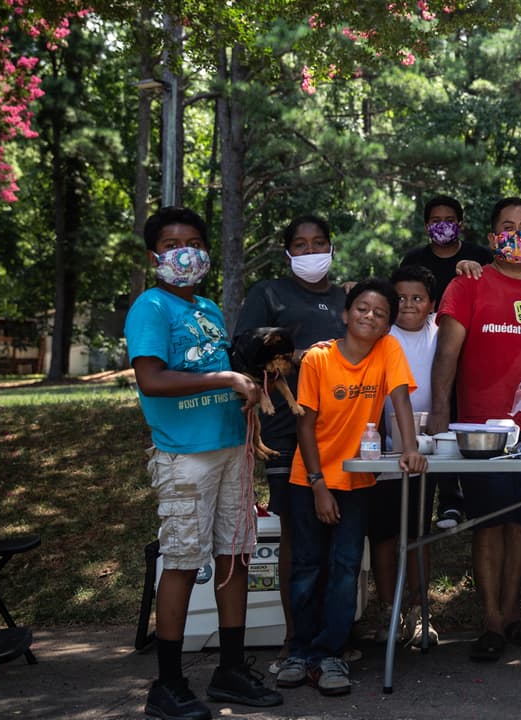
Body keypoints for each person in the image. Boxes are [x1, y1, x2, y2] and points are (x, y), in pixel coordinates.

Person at [125, 206, 282, 719]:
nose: (183, 252)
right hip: (185, 457)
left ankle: (230, 670)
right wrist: (224, 382)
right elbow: (151, 379)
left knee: (235, 555)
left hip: (232, 448)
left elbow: (221, 368)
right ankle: (167, 685)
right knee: (183, 562)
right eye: (171, 245)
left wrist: (253, 378)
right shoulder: (151, 307)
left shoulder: (210, 308)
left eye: (192, 242)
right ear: (155, 257)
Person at [428, 197, 521, 662]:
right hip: (482, 430)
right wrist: (438, 413)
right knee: (490, 524)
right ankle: (490, 621)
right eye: (508, 226)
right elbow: (447, 356)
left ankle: (513, 614)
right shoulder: (469, 284)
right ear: (493, 237)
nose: (518, 233)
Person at [274, 279, 427, 696]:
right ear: (345, 314)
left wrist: (410, 450)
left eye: (380, 313)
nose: (370, 317)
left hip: (358, 480)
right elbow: (304, 425)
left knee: (344, 569)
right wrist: (319, 484)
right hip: (311, 479)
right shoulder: (319, 359)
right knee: (307, 567)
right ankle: (298, 651)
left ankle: (330, 654)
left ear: (386, 326)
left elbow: (400, 400)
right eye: (362, 309)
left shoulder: (387, 351)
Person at [234, 215, 347, 660]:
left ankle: (334, 636)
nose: (310, 251)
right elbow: (243, 346)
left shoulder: (345, 298)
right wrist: (293, 354)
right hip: (285, 426)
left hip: (343, 432)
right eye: (299, 245)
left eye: (319, 242)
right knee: (298, 539)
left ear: (331, 248)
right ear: (287, 253)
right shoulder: (269, 293)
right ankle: (295, 640)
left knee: (340, 541)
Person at [399, 195, 492, 531]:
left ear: (461, 224)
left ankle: (459, 500)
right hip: (425, 351)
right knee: (434, 418)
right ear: (426, 226)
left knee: (460, 420)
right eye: (436, 219)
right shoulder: (413, 259)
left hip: (469, 352)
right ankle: (435, 497)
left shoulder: (480, 256)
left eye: (449, 219)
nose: (443, 225)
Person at [367, 264, 441, 648]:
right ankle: (389, 609)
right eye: (400, 298)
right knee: (383, 534)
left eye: (418, 298)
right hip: (382, 448)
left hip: (425, 449)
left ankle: (419, 609)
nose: (409, 305)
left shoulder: (440, 335)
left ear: (431, 304)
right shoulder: (379, 335)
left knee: (418, 531)